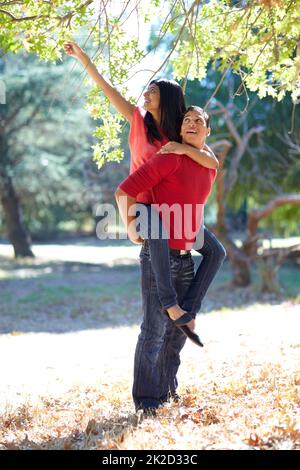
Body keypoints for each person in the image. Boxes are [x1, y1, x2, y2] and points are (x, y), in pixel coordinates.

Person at [63, 41, 226, 338]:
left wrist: (183, 148)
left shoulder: (180, 129)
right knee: (159, 234)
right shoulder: (138, 120)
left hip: (172, 209)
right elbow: (107, 88)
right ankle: (171, 305)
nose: (145, 94)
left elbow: (210, 159)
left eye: (152, 91)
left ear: (167, 98)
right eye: (146, 90)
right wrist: (84, 58)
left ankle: (189, 308)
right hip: (143, 205)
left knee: (215, 251)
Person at [115, 106, 217, 412]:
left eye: (198, 121)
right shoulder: (169, 158)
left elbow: (212, 159)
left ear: (207, 132)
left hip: (185, 257)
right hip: (157, 255)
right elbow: (124, 191)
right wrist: (132, 228)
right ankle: (146, 400)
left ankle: (166, 389)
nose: (191, 123)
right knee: (154, 330)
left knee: (176, 333)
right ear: (179, 129)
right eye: (186, 119)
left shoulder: (208, 163)